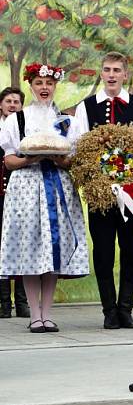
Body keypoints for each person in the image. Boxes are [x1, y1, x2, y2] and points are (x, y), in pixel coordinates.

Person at [69, 51, 133, 330]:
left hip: (132, 193)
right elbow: (78, 146)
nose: (111, 74)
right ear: (101, 73)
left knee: (131, 249)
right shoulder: (87, 108)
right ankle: (109, 310)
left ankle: (126, 308)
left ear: (125, 74)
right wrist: (96, 179)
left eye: (116, 70)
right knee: (104, 251)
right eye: (107, 69)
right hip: (101, 194)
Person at [0, 63, 89, 332]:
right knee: (30, 246)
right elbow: (9, 160)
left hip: (58, 186)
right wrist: (32, 157)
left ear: (55, 86)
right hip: (26, 186)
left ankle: (47, 313)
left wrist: (58, 159)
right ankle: (33, 315)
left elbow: (72, 160)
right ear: (31, 86)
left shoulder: (66, 121)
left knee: (54, 250)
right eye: (39, 83)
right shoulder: (18, 119)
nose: (44, 88)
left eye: (49, 83)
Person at [0, 87, 29, 318]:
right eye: (8, 101)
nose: (12, 105)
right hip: (0, 195)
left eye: (17, 102)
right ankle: (3, 303)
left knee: (22, 245)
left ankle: (22, 302)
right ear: (1, 105)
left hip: (21, 195)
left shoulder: (26, 128)